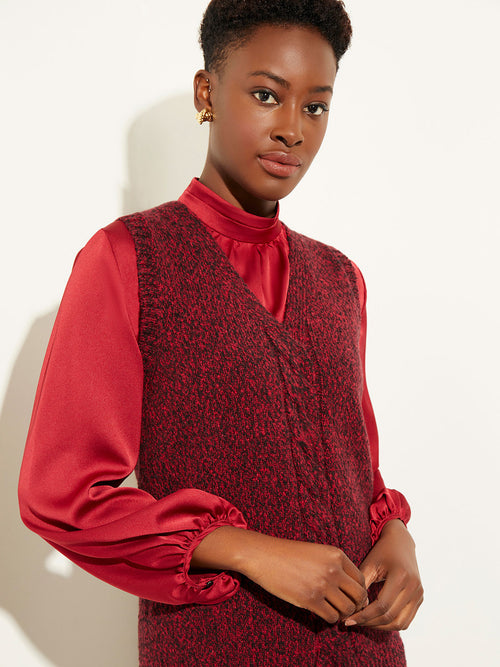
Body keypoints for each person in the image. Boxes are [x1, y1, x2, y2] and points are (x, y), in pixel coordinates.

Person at [18, 1, 423, 664]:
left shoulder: (340, 278)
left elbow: (357, 465)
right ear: (206, 92)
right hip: (216, 646)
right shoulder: (128, 259)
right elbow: (62, 496)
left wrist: (395, 534)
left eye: (315, 107)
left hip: (365, 647)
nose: (292, 129)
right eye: (267, 95)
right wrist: (250, 552)